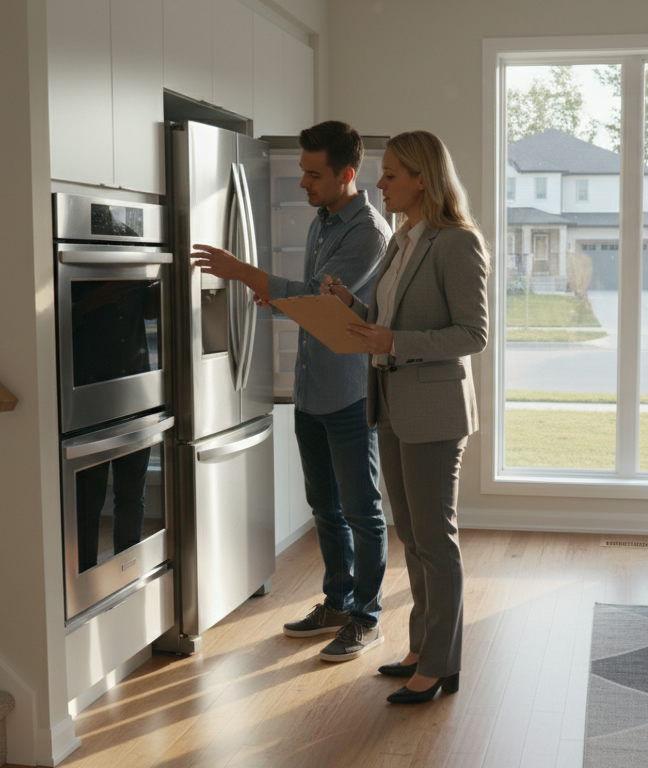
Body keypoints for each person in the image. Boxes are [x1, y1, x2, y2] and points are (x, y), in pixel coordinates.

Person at [192, 121, 391, 662]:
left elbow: (317, 297)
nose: (303, 183)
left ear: (347, 175)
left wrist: (245, 274)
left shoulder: (368, 231)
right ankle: (336, 601)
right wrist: (281, 299)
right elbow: (315, 298)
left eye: (313, 173)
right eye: (302, 171)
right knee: (324, 505)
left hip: (348, 391)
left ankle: (367, 617)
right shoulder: (323, 221)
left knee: (361, 509)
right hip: (310, 390)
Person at [322, 130, 489, 703]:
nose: (380, 182)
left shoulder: (456, 243)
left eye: (391, 174)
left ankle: (441, 665)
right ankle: (422, 647)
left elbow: (474, 334)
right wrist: (353, 307)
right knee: (413, 538)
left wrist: (393, 339)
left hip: (435, 411)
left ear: (422, 179)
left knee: (435, 541)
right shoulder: (401, 240)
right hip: (391, 402)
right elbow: (388, 320)